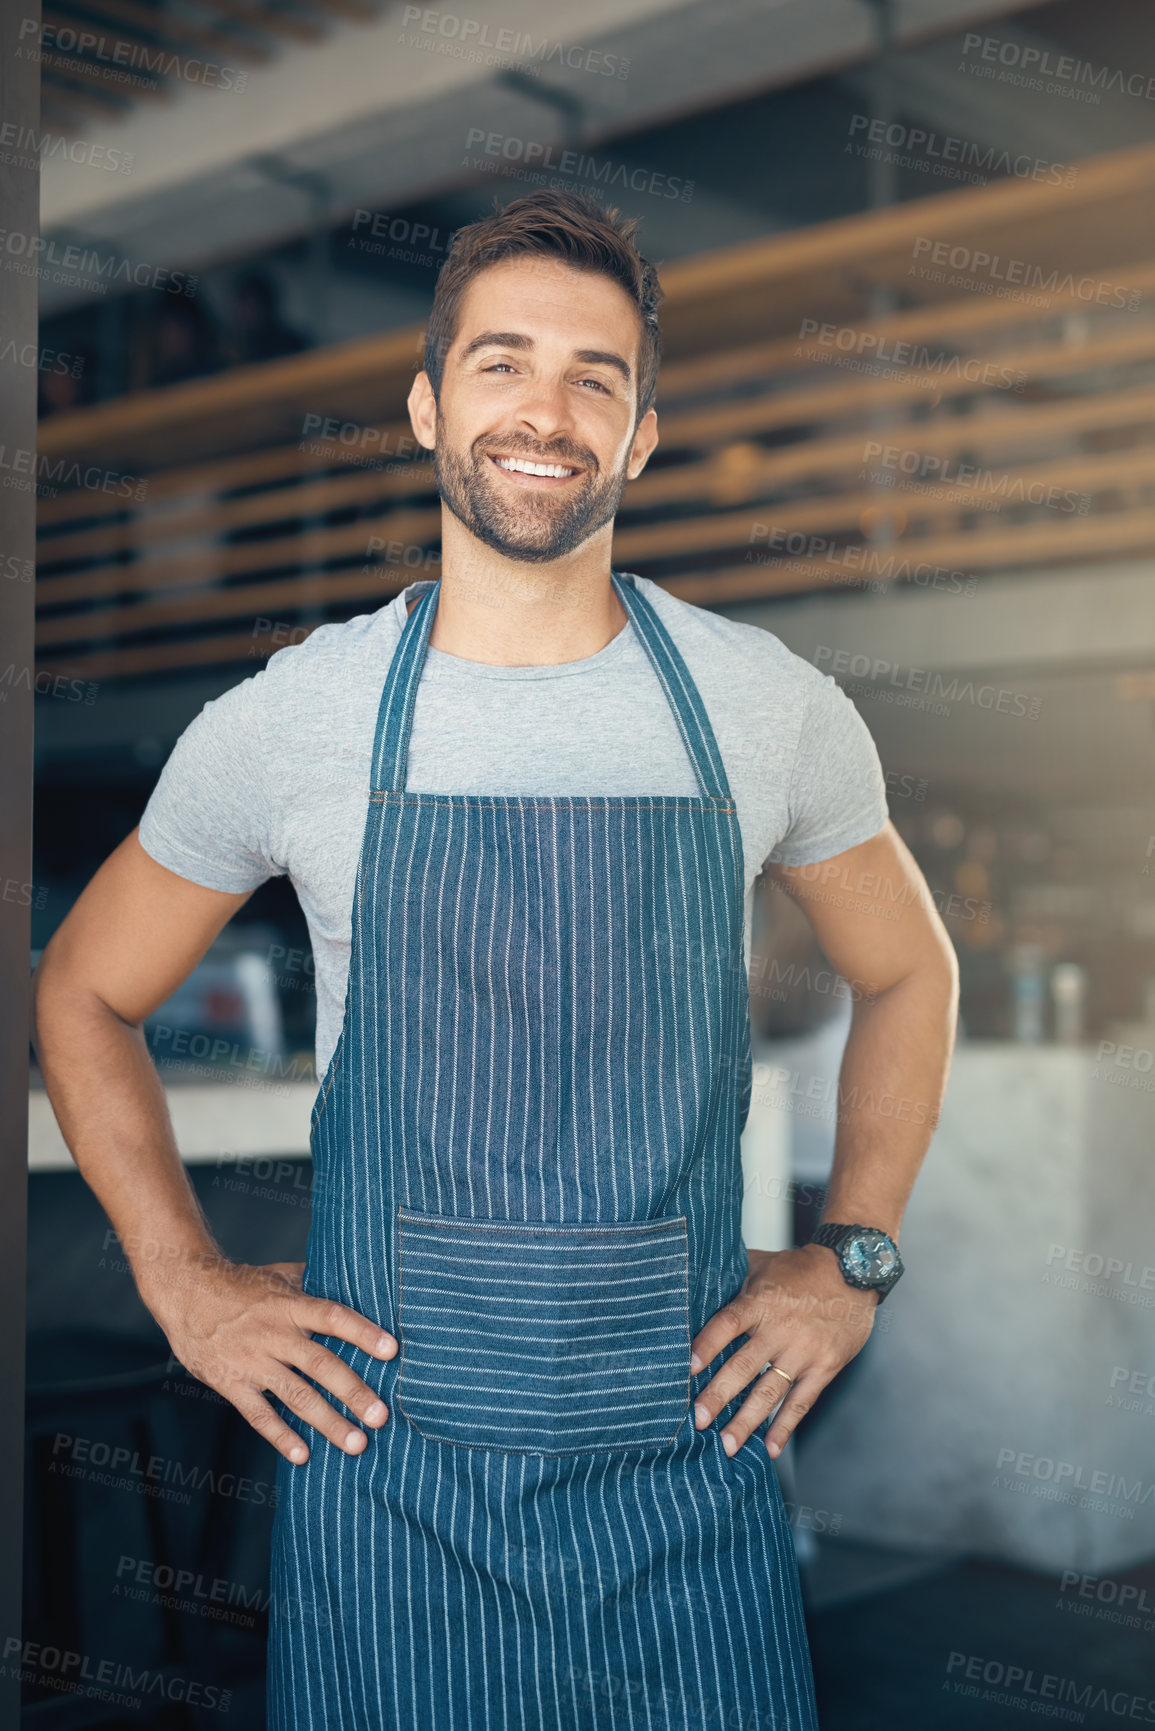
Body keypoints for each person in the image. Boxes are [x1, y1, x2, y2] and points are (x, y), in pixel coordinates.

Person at [32, 189, 959, 1729]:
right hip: (389, 1485)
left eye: (597, 375)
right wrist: (187, 1289)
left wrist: (854, 1258)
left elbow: (911, 971)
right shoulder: (297, 718)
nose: (547, 410)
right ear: (425, 405)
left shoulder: (761, 704)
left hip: (687, 1479)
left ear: (645, 433)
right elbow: (83, 988)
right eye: (502, 364)